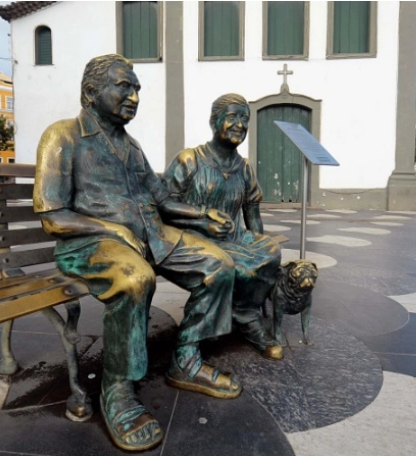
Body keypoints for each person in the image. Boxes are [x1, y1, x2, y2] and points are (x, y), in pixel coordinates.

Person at [33, 55, 241, 452]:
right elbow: (53, 216)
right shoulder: (62, 136)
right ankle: (118, 388)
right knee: (135, 279)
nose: (134, 96)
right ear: (91, 93)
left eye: (137, 88)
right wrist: (111, 228)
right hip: (89, 242)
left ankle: (187, 359)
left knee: (219, 265)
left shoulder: (131, 146)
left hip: (151, 235)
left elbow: (161, 198)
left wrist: (201, 215)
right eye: (123, 87)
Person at [163, 93, 283, 361]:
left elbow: (252, 211)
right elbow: (162, 205)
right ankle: (200, 339)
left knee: (271, 251)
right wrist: (202, 219)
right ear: (214, 121)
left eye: (245, 118)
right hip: (193, 237)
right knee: (225, 264)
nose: (240, 124)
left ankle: (245, 316)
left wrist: (260, 257)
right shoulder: (190, 160)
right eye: (232, 116)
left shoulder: (245, 167)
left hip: (233, 236)